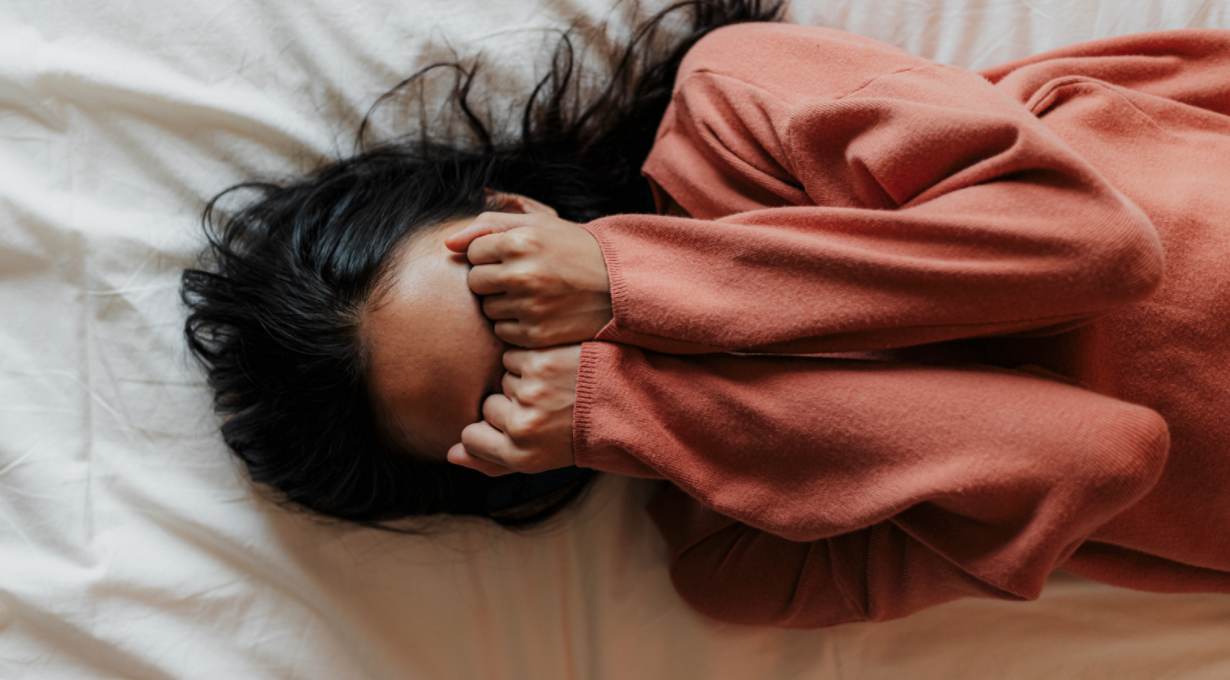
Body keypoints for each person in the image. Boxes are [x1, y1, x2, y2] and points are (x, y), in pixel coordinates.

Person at [182, 0, 1230, 628]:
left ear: (512, 212)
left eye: (501, 295)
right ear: (513, 457)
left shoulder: (735, 110)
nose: (554, 344)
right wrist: (644, 401)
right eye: (512, 386)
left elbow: (1093, 245)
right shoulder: (743, 558)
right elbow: (1103, 451)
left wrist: (630, 278)